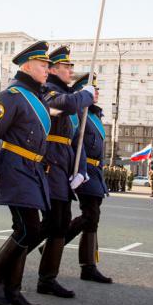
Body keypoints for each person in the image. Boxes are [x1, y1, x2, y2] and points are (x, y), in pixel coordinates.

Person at [0, 41, 52, 305]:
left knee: (28, 229)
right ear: (27, 66)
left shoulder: (36, 96)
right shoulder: (13, 95)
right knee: (28, 229)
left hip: (31, 169)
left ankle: (13, 288)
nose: (47, 70)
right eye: (43, 66)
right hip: (15, 167)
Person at [33, 46, 94, 299]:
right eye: (66, 67)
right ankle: (5, 268)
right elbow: (63, 105)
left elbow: (75, 141)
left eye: (71, 67)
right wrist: (84, 95)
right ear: (53, 69)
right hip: (49, 164)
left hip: (63, 165)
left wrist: (79, 170)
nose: (70, 70)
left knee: (58, 223)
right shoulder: (49, 91)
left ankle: (47, 279)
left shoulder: (69, 96)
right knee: (49, 223)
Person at [62, 72, 112, 284]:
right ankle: (56, 243)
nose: (97, 92)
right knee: (90, 215)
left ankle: (88, 266)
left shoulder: (94, 115)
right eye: (92, 89)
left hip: (95, 172)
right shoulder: (79, 114)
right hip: (84, 172)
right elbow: (76, 142)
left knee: (94, 217)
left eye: (97, 89)